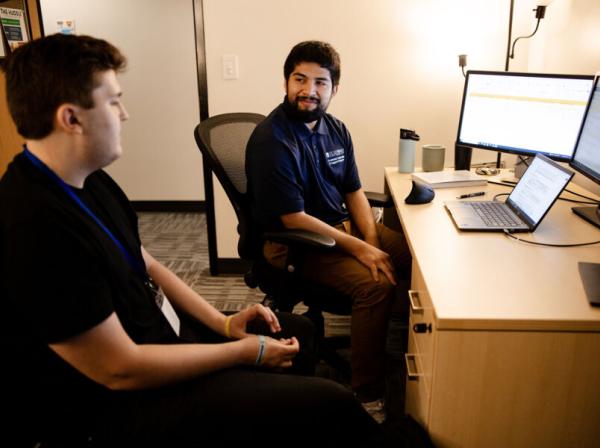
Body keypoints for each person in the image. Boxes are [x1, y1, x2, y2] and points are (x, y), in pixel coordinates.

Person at [0, 34, 383, 447]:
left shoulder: (89, 180)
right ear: (71, 119)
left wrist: (222, 323)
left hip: (164, 334)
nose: (125, 114)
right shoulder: (36, 224)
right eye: (113, 101)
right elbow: (120, 368)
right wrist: (242, 351)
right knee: (333, 403)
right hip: (124, 403)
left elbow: (147, 263)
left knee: (299, 334)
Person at [245, 41, 412, 419]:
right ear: (286, 82)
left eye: (320, 82)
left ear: (334, 88)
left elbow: (353, 191)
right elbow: (293, 219)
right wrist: (361, 250)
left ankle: (416, 347)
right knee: (376, 285)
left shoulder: (336, 129)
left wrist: (371, 242)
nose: (308, 90)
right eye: (299, 79)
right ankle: (366, 393)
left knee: (416, 258)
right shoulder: (273, 141)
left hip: (339, 226)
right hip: (294, 243)